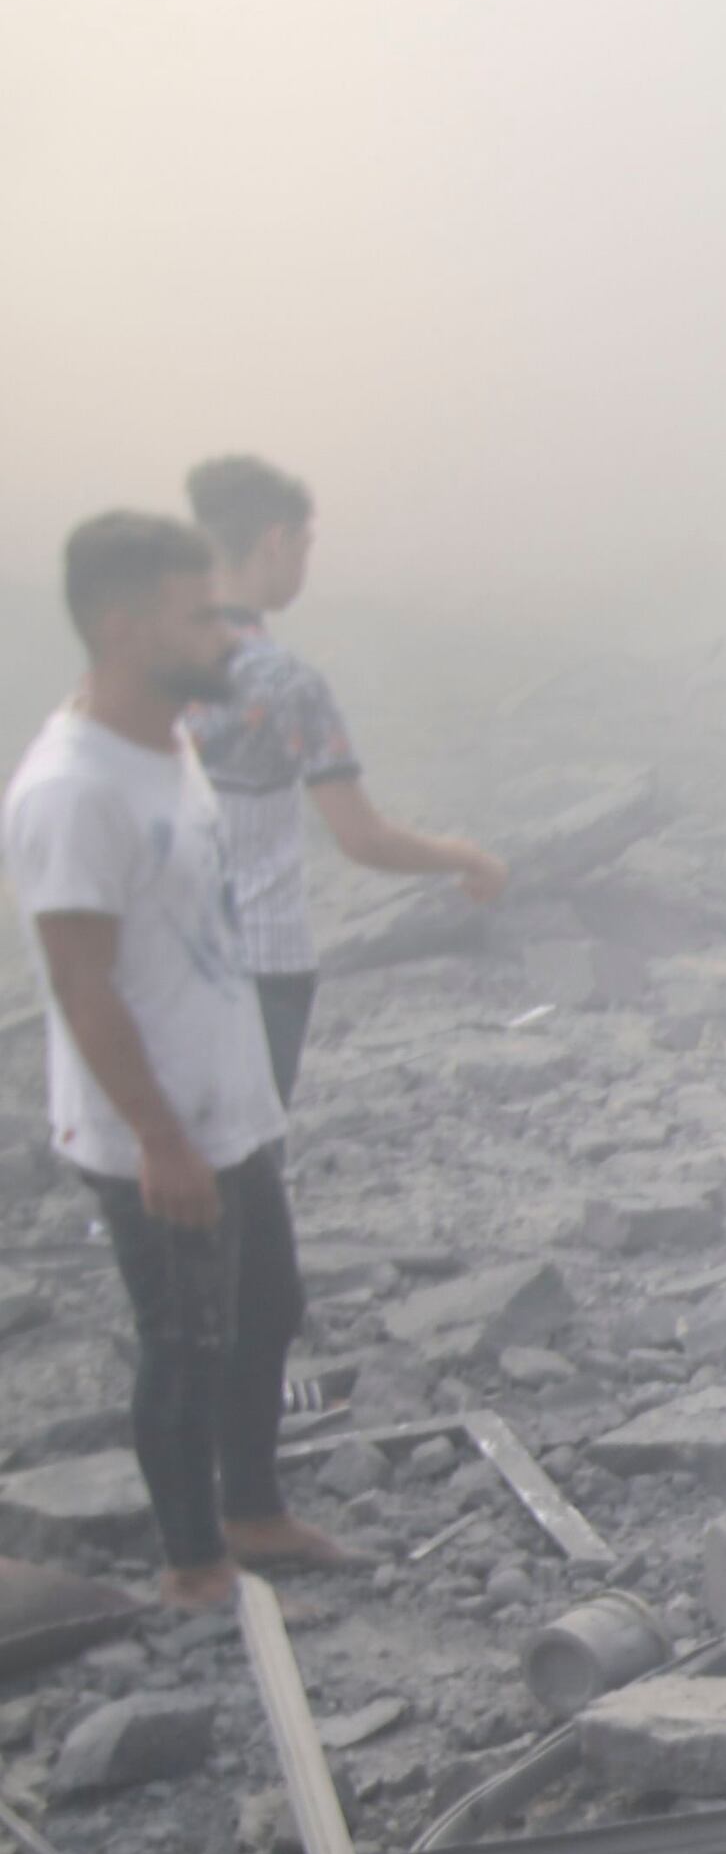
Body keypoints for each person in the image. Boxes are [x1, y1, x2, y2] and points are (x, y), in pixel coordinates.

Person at [6, 518, 344, 1605]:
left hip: (228, 1100)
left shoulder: (168, 735)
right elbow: (80, 981)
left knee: (269, 1307)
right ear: (123, 624)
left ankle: (255, 1510)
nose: (225, 632)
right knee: (185, 1341)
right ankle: (194, 1563)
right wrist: (159, 1139)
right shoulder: (71, 787)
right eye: (200, 615)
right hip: (152, 1128)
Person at [178, 457, 504, 1101]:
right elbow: (362, 839)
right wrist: (467, 857)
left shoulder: (139, 668)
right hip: (257, 964)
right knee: (242, 1171)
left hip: (157, 963)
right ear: (277, 541)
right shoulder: (284, 681)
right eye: (305, 547)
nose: (304, 564)